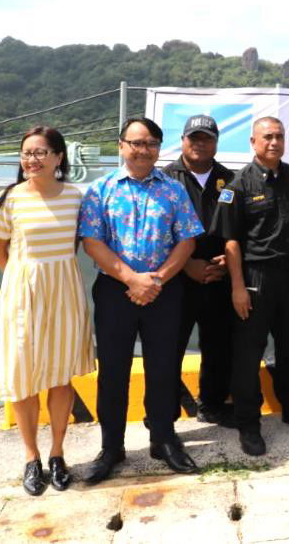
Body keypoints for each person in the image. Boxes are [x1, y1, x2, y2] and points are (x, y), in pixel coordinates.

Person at [78, 117, 203, 483]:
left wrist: (158, 278)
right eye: (135, 142)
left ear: (159, 148)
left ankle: (163, 439)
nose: (142, 149)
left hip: (164, 289)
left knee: (163, 369)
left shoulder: (173, 190)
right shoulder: (100, 189)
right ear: (121, 146)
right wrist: (131, 278)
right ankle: (111, 446)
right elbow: (92, 242)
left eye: (150, 143)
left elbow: (187, 241)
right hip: (116, 290)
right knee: (113, 372)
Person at [0, 126, 94, 496]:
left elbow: (79, 242)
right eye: (26, 153)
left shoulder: (75, 198)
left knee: (61, 375)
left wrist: (50, 277)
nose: (32, 159)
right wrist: (22, 281)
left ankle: (57, 454)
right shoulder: (8, 199)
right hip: (22, 293)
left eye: (40, 152)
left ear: (58, 157)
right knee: (22, 375)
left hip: (64, 290)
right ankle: (31, 457)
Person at [209, 116, 289, 457]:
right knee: (248, 354)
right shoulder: (237, 185)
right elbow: (230, 243)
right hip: (254, 278)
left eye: (279, 136)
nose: (274, 142)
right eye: (267, 137)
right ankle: (248, 422)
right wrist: (238, 288)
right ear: (253, 142)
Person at [161, 115, 235, 425]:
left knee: (218, 346)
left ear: (216, 143)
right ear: (182, 141)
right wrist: (186, 265)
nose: (199, 143)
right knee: (168, 348)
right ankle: (163, 413)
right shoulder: (164, 179)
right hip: (178, 279)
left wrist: (226, 261)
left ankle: (212, 405)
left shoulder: (231, 180)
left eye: (206, 138)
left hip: (218, 278)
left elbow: (238, 230)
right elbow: (155, 232)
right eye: (194, 138)